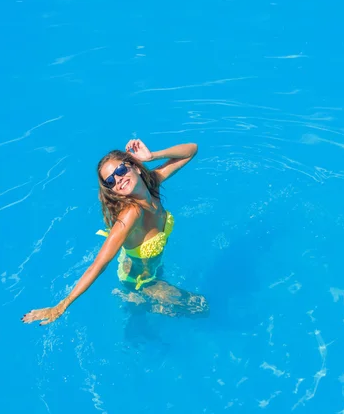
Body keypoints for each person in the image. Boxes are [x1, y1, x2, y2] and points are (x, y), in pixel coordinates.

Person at [22, 139, 208, 325]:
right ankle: (136, 300)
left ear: (135, 166)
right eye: (110, 181)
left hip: (151, 265)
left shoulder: (153, 184)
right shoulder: (131, 215)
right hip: (139, 280)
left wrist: (152, 156)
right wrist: (61, 306)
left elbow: (192, 150)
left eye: (120, 170)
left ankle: (139, 303)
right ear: (113, 191)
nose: (118, 179)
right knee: (200, 307)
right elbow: (98, 264)